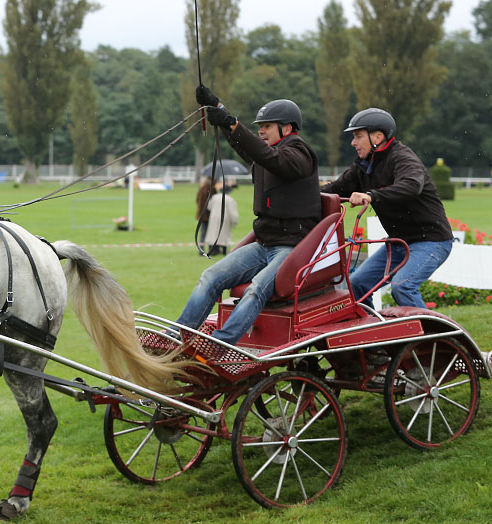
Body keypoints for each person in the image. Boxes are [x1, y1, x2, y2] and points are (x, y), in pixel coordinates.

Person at [175, 96, 321, 351]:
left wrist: (232, 124)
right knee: (210, 277)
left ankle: (218, 346)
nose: (260, 130)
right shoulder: (268, 155)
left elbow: (269, 156)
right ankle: (177, 337)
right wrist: (219, 111)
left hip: (292, 248)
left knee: (256, 290)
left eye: (267, 126)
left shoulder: (300, 154)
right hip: (264, 244)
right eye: (259, 126)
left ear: (287, 128)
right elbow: (250, 148)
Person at [321, 108, 453, 308]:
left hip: (432, 241)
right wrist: (305, 195)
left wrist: (372, 195)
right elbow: (335, 190)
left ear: (378, 137)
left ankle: (428, 337)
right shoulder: (363, 165)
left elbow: (411, 185)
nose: (353, 143)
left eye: (358, 136)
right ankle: (375, 334)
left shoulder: (402, 157)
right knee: (357, 284)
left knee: (403, 287)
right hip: (400, 243)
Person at [196, 176, 239, 256]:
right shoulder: (230, 199)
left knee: (212, 234)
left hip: (213, 218)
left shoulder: (215, 197)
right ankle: (223, 250)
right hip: (224, 218)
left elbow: (209, 206)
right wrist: (235, 221)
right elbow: (233, 213)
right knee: (224, 235)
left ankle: (212, 250)